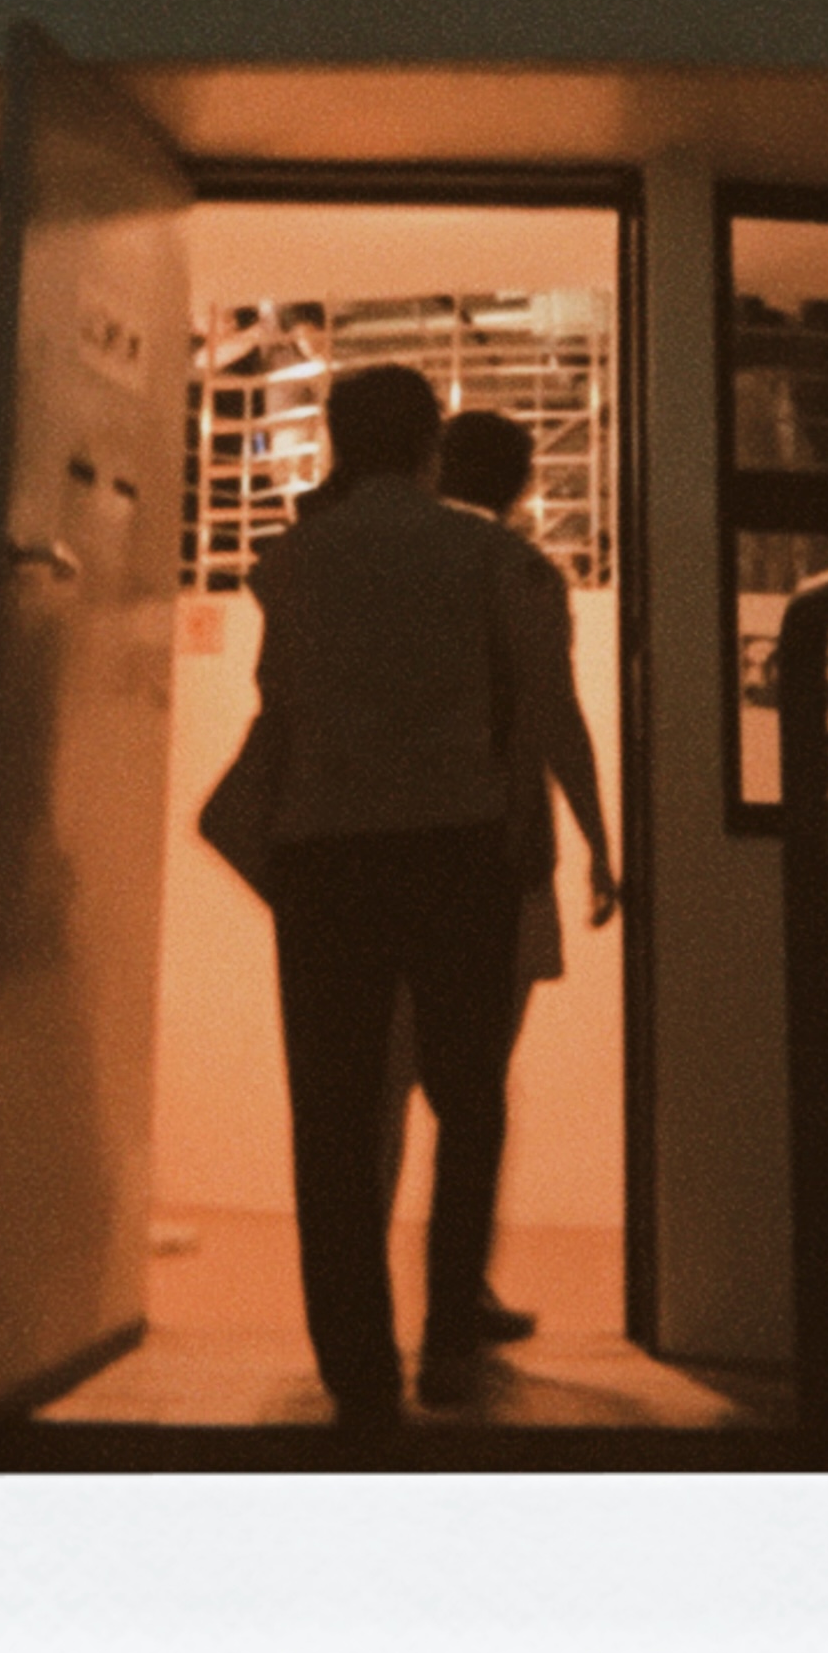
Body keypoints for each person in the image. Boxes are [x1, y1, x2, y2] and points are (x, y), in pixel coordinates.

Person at [246, 362, 585, 1426]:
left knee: (336, 1116)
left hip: (327, 856)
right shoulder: (489, 555)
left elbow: (280, 701)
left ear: (339, 445)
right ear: (433, 444)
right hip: (458, 850)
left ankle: (359, 1369)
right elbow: (535, 707)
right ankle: (448, 1343)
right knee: (468, 1101)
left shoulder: (290, 562)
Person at [373, 408, 621, 1342]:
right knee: (472, 1092)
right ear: (520, 485)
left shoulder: (388, 570)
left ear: (436, 469)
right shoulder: (520, 571)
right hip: (498, 859)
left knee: (383, 1086)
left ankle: (366, 1305)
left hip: (387, 852)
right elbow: (556, 714)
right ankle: (453, 1308)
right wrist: (598, 841)